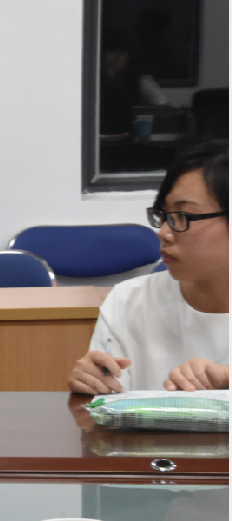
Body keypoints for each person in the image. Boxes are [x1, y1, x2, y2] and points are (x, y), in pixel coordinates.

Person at [68, 140, 228, 394]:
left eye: (183, 217)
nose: (163, 232)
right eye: (163, 216)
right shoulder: (130, 301)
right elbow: (109, 404)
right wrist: (93, 384)